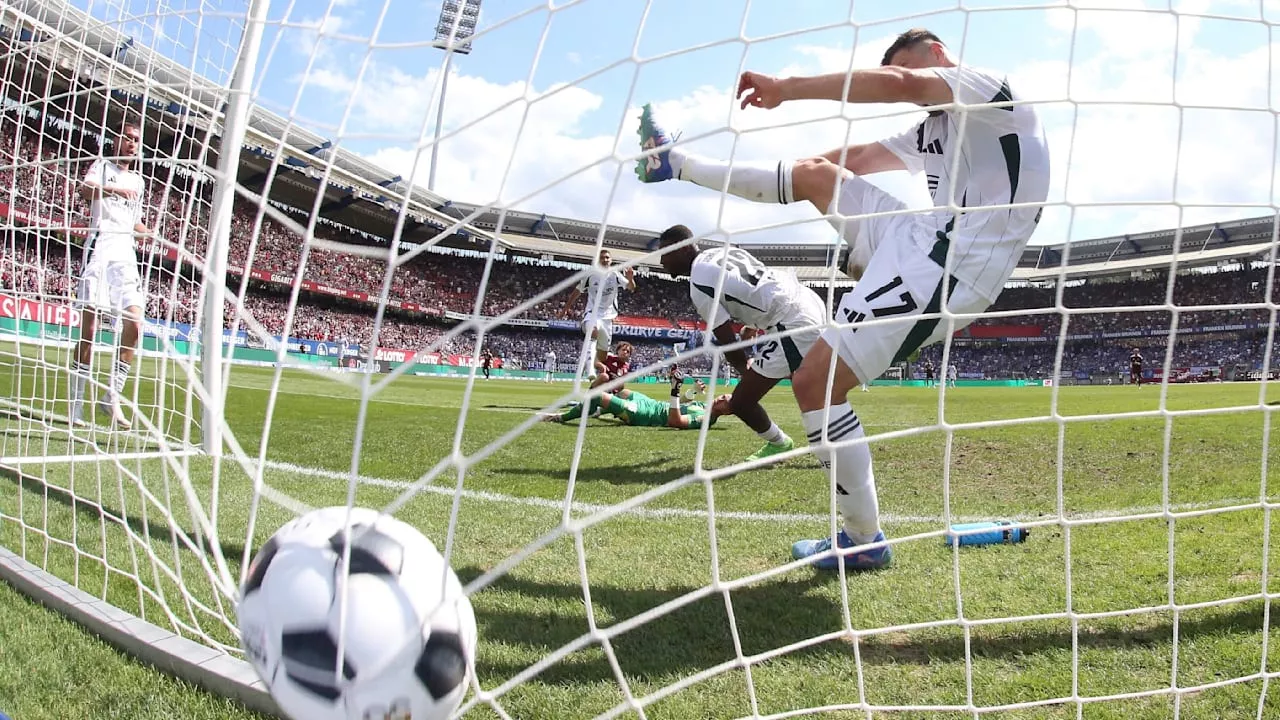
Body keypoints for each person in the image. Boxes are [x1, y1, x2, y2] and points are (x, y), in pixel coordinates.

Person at [635, 28, 1051, 571]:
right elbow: (853, 156)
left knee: (815, 382)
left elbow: (902, 82)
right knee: (815, 174)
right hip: (921, 237)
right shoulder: (932, 129)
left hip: (958, 261)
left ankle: (862, 539)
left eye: (917, 69)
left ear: (939, 55)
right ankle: (675, 164)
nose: (916, 86)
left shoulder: (987, 90)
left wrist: (787, 87)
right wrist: (796, 182)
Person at [657, 223, 826, 462]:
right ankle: (833, 440)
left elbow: (728, 343)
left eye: (665, 253)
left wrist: (744, 370)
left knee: (742, 402)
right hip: (806, 298)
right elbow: (754, 287)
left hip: (792, 322)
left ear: (683, 249)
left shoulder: (698, 284)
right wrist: (754, 326)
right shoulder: (721, 252)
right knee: (810, 382)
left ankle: (781, 444)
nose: (662, 261)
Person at [70, 121, 154, 430]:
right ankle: (76, 405)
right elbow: (85, 190)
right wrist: (115, 188)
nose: (132, 143)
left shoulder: (139, 181)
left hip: (126, 253)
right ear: (116, 139)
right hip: (100, 245)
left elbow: (134, 220)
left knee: (135, 322)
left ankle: (111, 396)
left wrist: (149, 234)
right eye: (128, 137)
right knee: (89, 330)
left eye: (136, 139)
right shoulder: (101, 165)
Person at [540, 374, 728, 430]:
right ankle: (594, 411)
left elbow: (675, 421)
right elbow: (682, 405)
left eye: (724, 401)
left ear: (727, 411)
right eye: (723, 395)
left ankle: (561, 418)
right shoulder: (705, 406)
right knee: (624, 392)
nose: (720, 397)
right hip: (651, 403)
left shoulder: (706, 418)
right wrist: (693, 391)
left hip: (645, 414)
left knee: (597, 395)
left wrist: (674, 390)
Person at [561, 249, 636, 381]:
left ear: (611, 260)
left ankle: (594, 376)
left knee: (602, 356)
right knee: (593, 330)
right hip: (592, 313)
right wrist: (565, 309)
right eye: (602, 258)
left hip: (608, 318)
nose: (605, 260)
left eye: (607, 257)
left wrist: (630, 279)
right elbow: (577, 291)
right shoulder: (590, 275)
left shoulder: (615, 274)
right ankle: (589, 370)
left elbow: (631, 288)